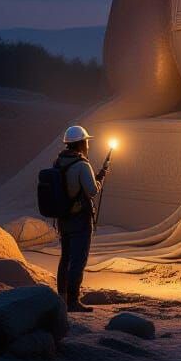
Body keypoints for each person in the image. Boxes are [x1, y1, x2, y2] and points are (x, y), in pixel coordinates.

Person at [55, 124, 109, 312]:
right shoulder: (82, 164)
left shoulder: (59, 161)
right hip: (79, 219)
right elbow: (92, 191)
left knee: (65, 258)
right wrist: (101, 178)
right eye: (86, 141)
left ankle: (62, 298)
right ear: (80, 143)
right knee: (78, 260)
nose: (88, 144)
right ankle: (73, 301)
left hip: (63, 218)